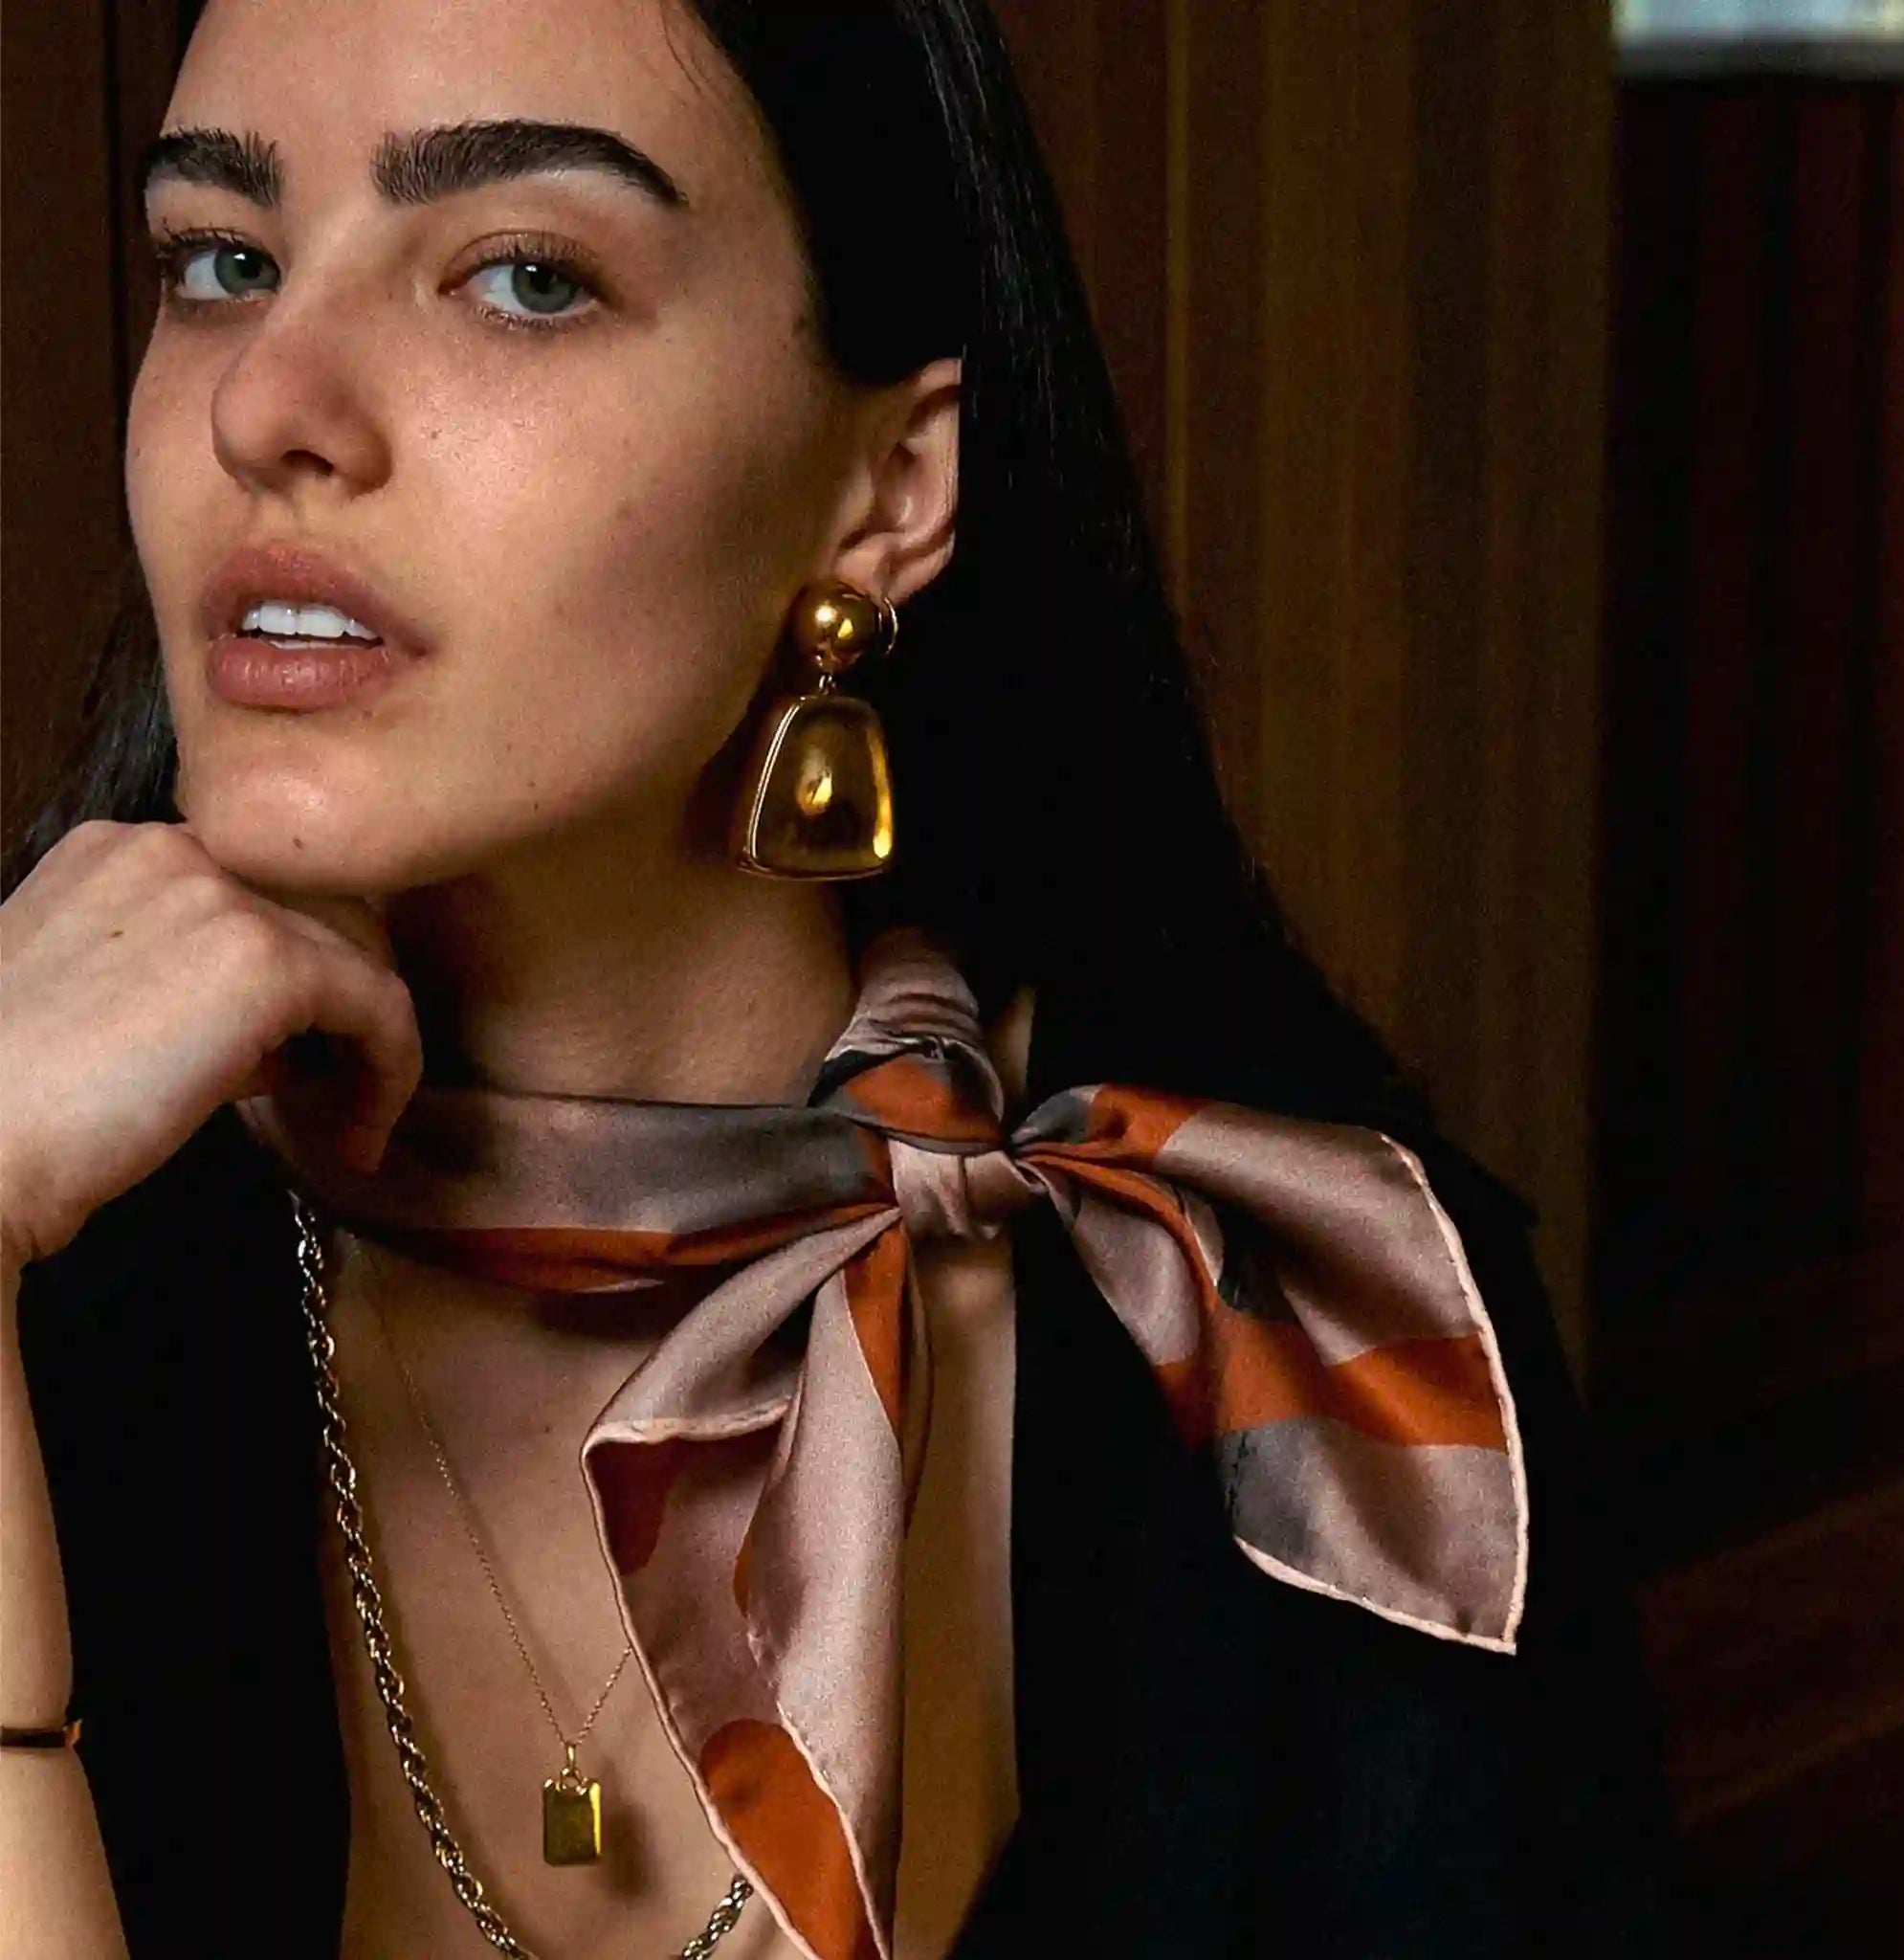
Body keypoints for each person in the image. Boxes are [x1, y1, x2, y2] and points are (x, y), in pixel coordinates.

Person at [0, 1, 1675, 1955]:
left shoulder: (1296, 1306)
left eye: (524, 277)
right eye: (222, 260)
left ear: (884, 489)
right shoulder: (65, 1249)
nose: (266, 400)